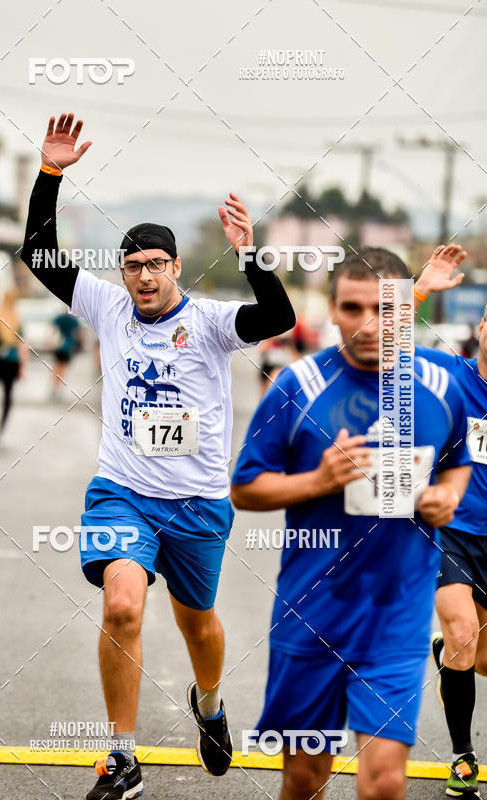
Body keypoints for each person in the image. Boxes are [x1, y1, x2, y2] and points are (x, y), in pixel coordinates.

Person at [20, 112, 295, 800]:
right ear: (123, 272)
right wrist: (51, 173)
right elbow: (37, 250)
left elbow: (278, 318)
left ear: (176, 268)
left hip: (199, 503)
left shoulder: (208, 323)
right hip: (123, 490)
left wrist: (251, 254)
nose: (144, 278)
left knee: (197, 620)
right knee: (121, 607)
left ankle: (209, 703)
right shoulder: (106, 308)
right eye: (134, 266)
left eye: (156, 266)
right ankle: (122, 758)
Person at [231, 247, 471, 800]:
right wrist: (318, 481)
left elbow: (458, 462)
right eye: (352, 307)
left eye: (384, 309)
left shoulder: (441, 384)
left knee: (384, 782)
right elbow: (244, 489)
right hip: (311, 615)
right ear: (332, 311)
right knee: (304, 779)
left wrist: (444, 499)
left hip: (396, 617)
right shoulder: (297, 386)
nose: (369, 324)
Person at [412, 244, 487, 797]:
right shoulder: (449, 375)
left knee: (475, 657)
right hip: (450, 530)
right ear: (482, 328)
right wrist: (419, 289)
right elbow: (377, 341)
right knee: (460, 629)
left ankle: (451, 657)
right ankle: (463, 756)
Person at [0, 288, 27, 441]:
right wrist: (22, 366)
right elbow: (23, 345)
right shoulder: (17, 319)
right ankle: (2, 427)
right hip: (12, 362)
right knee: (7, 395)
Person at [51, 309, 82, 400]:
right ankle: (59, 387)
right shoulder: (74, 321)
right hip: (68, 346)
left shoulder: (59, 318)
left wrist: (50, 342)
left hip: (58, 345)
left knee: (57, 367)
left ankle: (54, 386)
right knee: (63, 368)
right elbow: (79, 333)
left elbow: (52, 330)